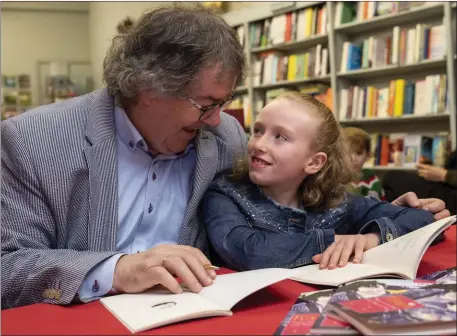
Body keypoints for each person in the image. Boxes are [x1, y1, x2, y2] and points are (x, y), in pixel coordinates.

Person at [0, 5, 449, 310]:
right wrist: (114, 269)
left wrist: (390, 218)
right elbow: (6, 267)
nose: (218, 120)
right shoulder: (32, 141)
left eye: (224, 102)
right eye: (205, 104)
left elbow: (304, 199)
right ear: (146, 87)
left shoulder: (224, 136)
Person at [201, 92, 446, 272]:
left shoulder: (336, 201)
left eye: (280, 137)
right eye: (257, 130)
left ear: (314, 162)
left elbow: (427, 222)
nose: (259, 144)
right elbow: (247, 250)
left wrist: (370, 239)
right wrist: (335, 242)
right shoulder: (223, 193)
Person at [383, 150, 457, 215]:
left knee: (392, 178)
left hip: (450, 190)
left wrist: (445, 175)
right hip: (447, 184)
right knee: (392, 181)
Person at [342, 127, 385, 200]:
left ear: (368, 156)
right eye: (348, 152)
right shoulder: (335, 181)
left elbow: (382, 208)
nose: (353, 158)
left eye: (358, 153)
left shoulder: (374, 182)